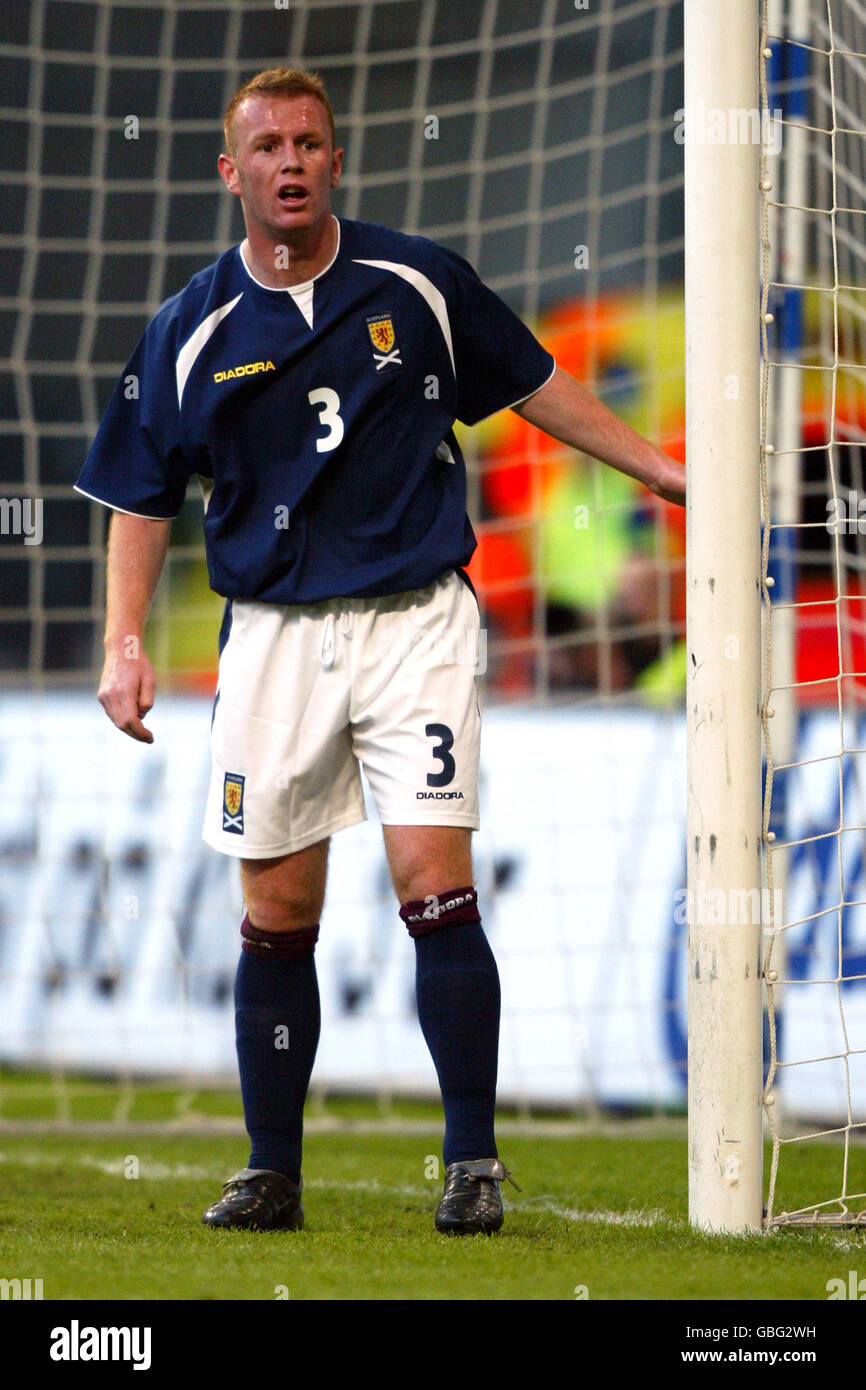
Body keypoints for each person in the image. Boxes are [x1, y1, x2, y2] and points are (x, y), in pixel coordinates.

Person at [76, 66, 686, 1236]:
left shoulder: (417, 280)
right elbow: (138, 495)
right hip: (271, 639)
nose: (290, 162)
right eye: (267, 147)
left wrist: (654, 466)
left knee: (434, 885)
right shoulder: (187, 327)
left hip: (416, 622)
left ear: (336, 158)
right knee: (279, 909)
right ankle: (270, 1168)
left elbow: (534, 383)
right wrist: (121, 643)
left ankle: (469, 1163)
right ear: (231, 171)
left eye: (309, 142)